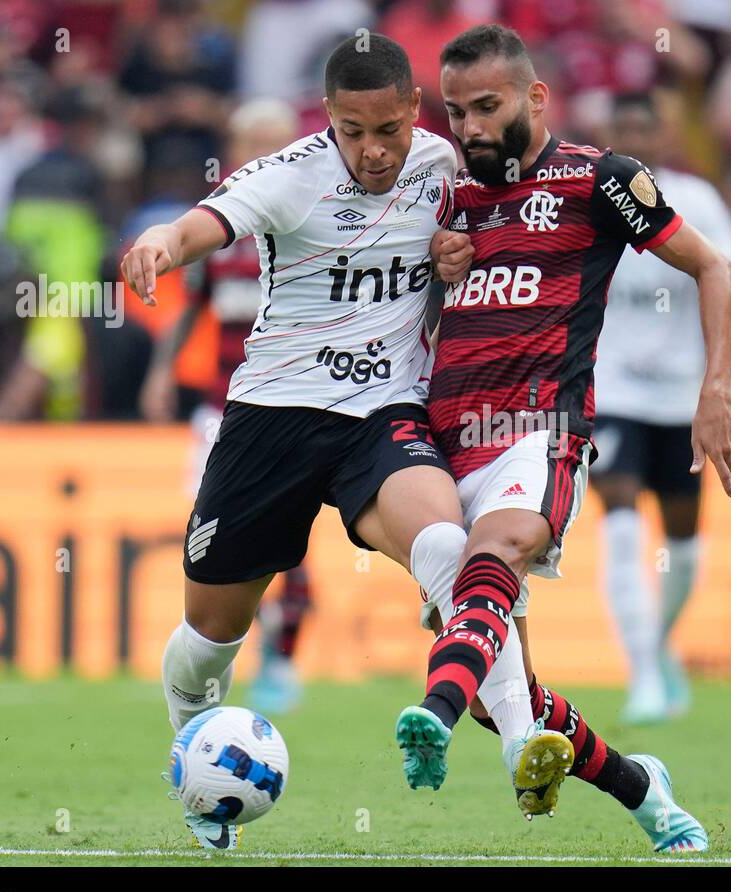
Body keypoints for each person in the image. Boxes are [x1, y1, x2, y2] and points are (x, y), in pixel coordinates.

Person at [120, 33, 572, 850]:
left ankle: (518, 740)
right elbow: (206, 224)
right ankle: (196, 764)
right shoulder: (289, 175)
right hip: (272, 420)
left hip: (384, 414)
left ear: (413, 114)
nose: (374, 149)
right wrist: (160, 244)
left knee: (451, 544)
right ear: (328, 118)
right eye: (354, 130)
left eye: (389, 130)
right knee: (208, 642)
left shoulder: (442, 165)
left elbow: (512, 219)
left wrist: (453, 257)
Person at [398, 24, 731, 852]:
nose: (473, 127)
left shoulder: (602, 181)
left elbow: (714, 266)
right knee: (498, 687)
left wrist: (716, 389)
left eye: (488, 107)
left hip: (539, 430)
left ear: (535, 97)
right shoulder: (444, 196)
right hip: (444, 445)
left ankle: (436, 718)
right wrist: (434, 265)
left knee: (500, 549)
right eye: (457, 112)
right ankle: (640, 788)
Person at [139, 97, 313, 716]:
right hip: (222, 408)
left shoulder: (310, 226)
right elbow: (192, 307)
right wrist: (162, 372)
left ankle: (282, 662)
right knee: (215, 534)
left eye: (278, 142)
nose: (266, 154)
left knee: (288, 537)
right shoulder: (221, 235)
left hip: (294, 406)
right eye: (254, 143)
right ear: (237, 153)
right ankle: (216, 654)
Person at [591, 90, 731, 724]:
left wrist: (723, 382)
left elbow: (726, 278)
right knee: (621, 524)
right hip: (614, 394)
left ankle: (657, 647)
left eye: (642, 129)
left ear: (665, 136)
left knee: (683, 544)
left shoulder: (698, 200)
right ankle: (644, 676)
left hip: (682, 396)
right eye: (620, 129)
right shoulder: (594, 197)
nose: (634, 141)